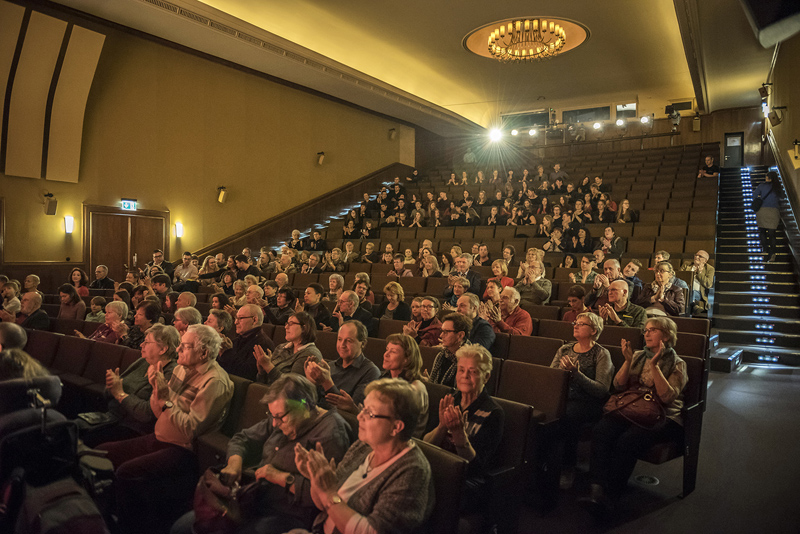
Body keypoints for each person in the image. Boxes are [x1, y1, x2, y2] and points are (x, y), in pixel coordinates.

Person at [171, 374, 352, 534]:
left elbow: (326, 493)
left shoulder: (331, 434)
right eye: (272, 416)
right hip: (255, 499)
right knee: (183, 526)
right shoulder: (281, 418)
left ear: (306, 404)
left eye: (280, 417)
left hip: (288, 515)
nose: (274, 424)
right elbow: (243, 439)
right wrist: (234, 464)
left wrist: (280, 477)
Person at [98, 324, 234, 533]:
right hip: (160, 436)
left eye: (184, 346)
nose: (177, 350)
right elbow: (159, 409)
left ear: (204, 352)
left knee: (126, 472)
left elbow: (190, 429)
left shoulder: (215, 382)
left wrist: (165, 399)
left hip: (182, 449)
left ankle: (128, 527)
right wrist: (157, 389)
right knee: (102, 452)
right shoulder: (181, 367)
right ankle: (105, 516)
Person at [294, 379, 434, 534]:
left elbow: (372, 530)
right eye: (363, 409)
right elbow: (325, 505)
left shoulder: (412, 472)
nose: (360, 416)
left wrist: (328, 493)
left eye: (370, 413)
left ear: (396, 427)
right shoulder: (364, 446)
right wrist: (316, 478)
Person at [582, 317, 687, 515]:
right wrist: (628, 361)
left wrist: (655, 366)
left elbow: (666, 397)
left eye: (652, 330)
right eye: (645, 330)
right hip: (632, 408)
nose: (646, 333)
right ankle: (596, 488)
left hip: (662, 416)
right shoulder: (638, 355)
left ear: (666, 336)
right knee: (602, 430)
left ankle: (611, 495)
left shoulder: (677, 363)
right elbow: (619, 386)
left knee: (628, 440)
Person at [424, 345, 504, 507]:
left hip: (468, 481)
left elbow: (476, 468)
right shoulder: (449, 400)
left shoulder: (493, 412)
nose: (465, 376)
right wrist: (441, 426)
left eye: (473, 371)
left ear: (486, 377)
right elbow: (426, 446)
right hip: (440, 467)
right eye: (461, 370)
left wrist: (459, 434)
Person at [81, 324, 180, 447]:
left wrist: (120, 394)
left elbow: (148, 414)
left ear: (163, 349)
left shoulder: (171, 373)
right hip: (112, 417)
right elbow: (111, 393)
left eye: (147, 342)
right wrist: (111, 385)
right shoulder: (143, 361)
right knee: (70, 428)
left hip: (133, 428)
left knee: (82, 439)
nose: (141, 345)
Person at [550, 312, 613, 488]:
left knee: (568, 417)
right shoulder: (564, 349)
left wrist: (576, 374)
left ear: (594, 330)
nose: (576, 325)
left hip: (588, 402)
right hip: (563, 398)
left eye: (581, 324)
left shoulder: (601, 354)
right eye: (575, 323)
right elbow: (551, 376)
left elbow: (601, 390)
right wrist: (562, 374)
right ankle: (545, 462)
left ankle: (567, 467)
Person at [305, 320, 381, 408]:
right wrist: (311, 383)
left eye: (349, 341)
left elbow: (353, 412)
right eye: (339, 339)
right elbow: (311, 401)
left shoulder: (370, 372)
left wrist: (327, 382)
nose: (342, 345)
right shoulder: (331, 365)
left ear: (363, 344)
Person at [255, 312, 323, 385]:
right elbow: (262, 383)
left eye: (290, 324)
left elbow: (292, 386)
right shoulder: (281, 347)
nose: (286, 327)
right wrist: (262, 372)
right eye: (286, 324)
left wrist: (268, 366)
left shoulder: (309, 354)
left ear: (304, 328)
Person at [218, 304, 276, 381]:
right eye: (236, 318)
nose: (235, 322)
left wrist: (227, 352)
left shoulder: (262, 344)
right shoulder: (240, 339)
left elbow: (247, 374)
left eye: (240, 318)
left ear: (254, 320)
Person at [427, 312, 472, 388]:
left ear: (460, 335)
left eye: (446, 332)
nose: (441, 335)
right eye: (442, 331)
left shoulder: (470, 361)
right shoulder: (442, 355)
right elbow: (433, 385)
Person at [754, 170, 781, 262]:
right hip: (774, 211)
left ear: (768, 178)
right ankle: (773, 254)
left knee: (762, 232)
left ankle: (764, 250)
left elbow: (754, 196)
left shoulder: (761, 186)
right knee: (772, 234)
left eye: (766, 177)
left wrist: (760, 198)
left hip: (762, 210)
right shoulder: (778, 187)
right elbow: (782, 197)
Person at [681, 250, 715, 315]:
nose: (696, 257)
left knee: (692, 292)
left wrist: (699, 273)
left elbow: (709, 284)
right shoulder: (686, 265)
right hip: (684, 289)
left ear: (705, 260)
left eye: (700, 256)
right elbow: (679, 277)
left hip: (698, 293)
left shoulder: (710, 269)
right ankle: (694, 307)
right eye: (696, 255)